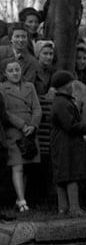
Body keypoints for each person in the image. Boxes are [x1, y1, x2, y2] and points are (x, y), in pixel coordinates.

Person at [0, 58, 42, 212]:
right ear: (5, 73)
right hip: (14, 130)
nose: (15, 73)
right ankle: (22, 200)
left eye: (17, 70)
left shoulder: (29, 86)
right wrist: (22, 125)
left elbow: (37, 108)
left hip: (30, 130)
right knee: (17, 165)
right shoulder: (2, 88)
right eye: (10, 71)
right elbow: (5, 112)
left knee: (27, 164)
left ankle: (19, 199)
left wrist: (32, 125)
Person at [49, 71, 86, 216]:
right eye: (71, 84)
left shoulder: (60, 101)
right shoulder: (63, 103)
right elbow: (70, 125)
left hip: (61, 142)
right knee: (71, 174)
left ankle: (63, 208)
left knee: (61, 176)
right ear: (65, 86)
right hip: (67, 144)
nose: (73, 86)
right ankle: (74, 208)